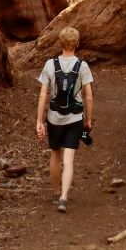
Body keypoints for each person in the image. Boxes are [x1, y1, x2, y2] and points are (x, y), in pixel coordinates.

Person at [36, 26, 93, 213]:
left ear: (60, 43)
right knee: (69, 159)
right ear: (77, 43)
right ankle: (63, 198)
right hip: (75, 118)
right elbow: (89, 97)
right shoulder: (82, 66)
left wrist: (39, 120)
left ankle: (55, 191)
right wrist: (89, 120)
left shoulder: (50, 65)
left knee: (55, 154)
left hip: (54, 118)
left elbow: (43, 95)